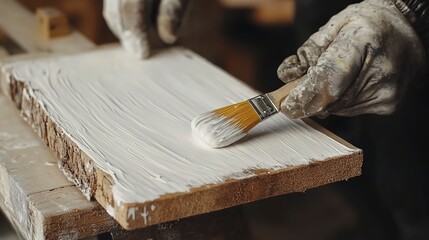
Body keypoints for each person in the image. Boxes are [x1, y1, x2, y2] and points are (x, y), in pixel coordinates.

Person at [103, 0, 429, 239]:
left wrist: (415, 11)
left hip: (401, 51)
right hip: (323, 17)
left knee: (409, 184)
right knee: (358, 177)